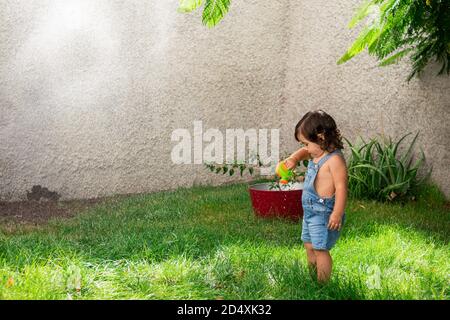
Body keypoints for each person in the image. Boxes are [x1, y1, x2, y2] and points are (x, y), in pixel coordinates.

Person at [283, 110, 348, 283]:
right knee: (309, 246)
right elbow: (305, 152)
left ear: (321, 137)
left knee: (320, 249)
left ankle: (322, 285)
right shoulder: (317, 152)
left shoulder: (334, 160)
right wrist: (294, 158)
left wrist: (336, 213)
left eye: (306, 143)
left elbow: (341, 188)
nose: (305, 148)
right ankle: (312, 279)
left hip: (324, 213)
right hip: (310, 212)